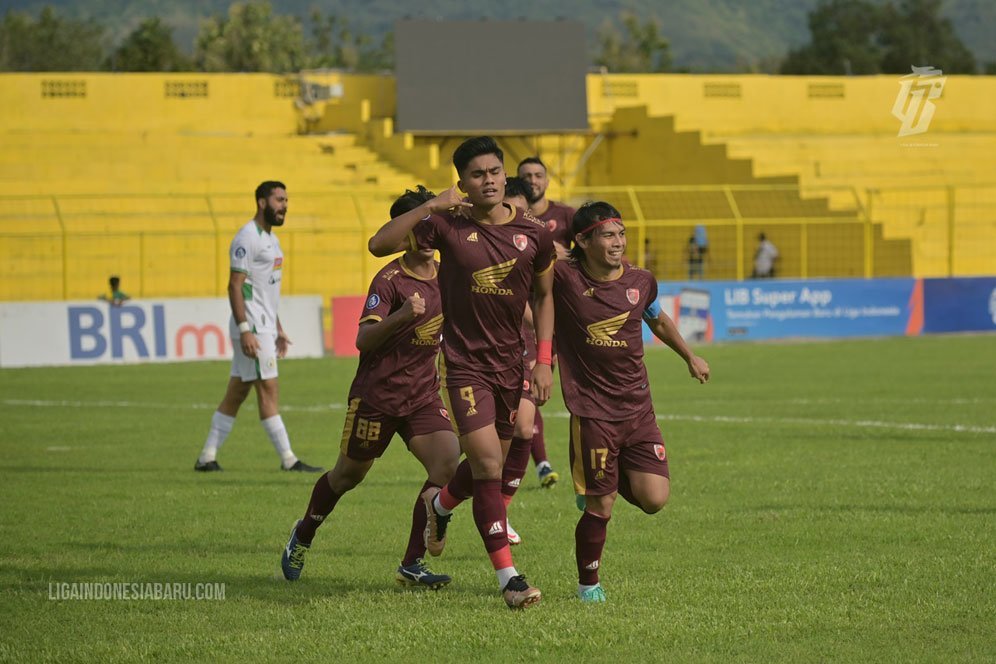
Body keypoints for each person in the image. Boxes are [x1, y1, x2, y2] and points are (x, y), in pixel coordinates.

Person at [369, 136, 556, 610]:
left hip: (511, 365)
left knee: (482, 465)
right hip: (465, 367)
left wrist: (543, 360)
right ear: (463, 183)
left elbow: (544, 296)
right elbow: (379, 244)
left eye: (494, 171)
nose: (489, 180)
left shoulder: (534, 232)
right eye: (477, 175)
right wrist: (433, 203)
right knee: (490, 466)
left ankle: (440, 505)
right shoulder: (446, 226)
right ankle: (509, 579)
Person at [280, 186, 460, 589]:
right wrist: (400, 317)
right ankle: (303, 534)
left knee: (447, 464)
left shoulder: (450, 275)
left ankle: (412, 563)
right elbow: (363, 341)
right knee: (347, 477)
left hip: (423, 395)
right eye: (424, 227)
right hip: (378, 397)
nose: (432, 236)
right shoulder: (391, 279)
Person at [553, 201, 710, 603]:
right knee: (601, 504)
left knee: (655, 499)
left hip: (639, 409)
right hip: (592, 412)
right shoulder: (563, 278)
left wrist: (690, 356)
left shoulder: (642, 280)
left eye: (621, 234)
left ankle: (592, 479)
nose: (618, 243)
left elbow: (656, 319)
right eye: (608, 235)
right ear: (584, 241)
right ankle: (589, 585)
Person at [194, 181, 322, 473]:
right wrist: (246, 329)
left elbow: (265, 290)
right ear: (262, 202)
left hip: (263, 325)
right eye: (279, 199)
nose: (284, 205)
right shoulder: (246, 238)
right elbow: (235, 286)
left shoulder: (271, 239)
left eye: (287, 200)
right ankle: (289, 460)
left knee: (237, 393)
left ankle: (206, 457)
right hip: (251, 326)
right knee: (268, 389)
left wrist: (276, 326)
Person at [496, 178, 560, 547]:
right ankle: (439, 505)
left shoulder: (535, 239)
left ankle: (499, 512)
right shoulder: (483, 241)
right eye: (514, 209)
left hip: (521, 350)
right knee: (468, 456)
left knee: (522, 429)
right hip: (475, 355)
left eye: (526, 210)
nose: (521, 217)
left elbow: (547, 290)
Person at [518, 157, 575, 260]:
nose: (532, 181)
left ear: (547, 182)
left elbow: (588, 250)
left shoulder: (566, 213)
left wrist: (568, 255)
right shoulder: (510, 215)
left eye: (538, 176)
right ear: (518, 181)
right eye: (527, 176)